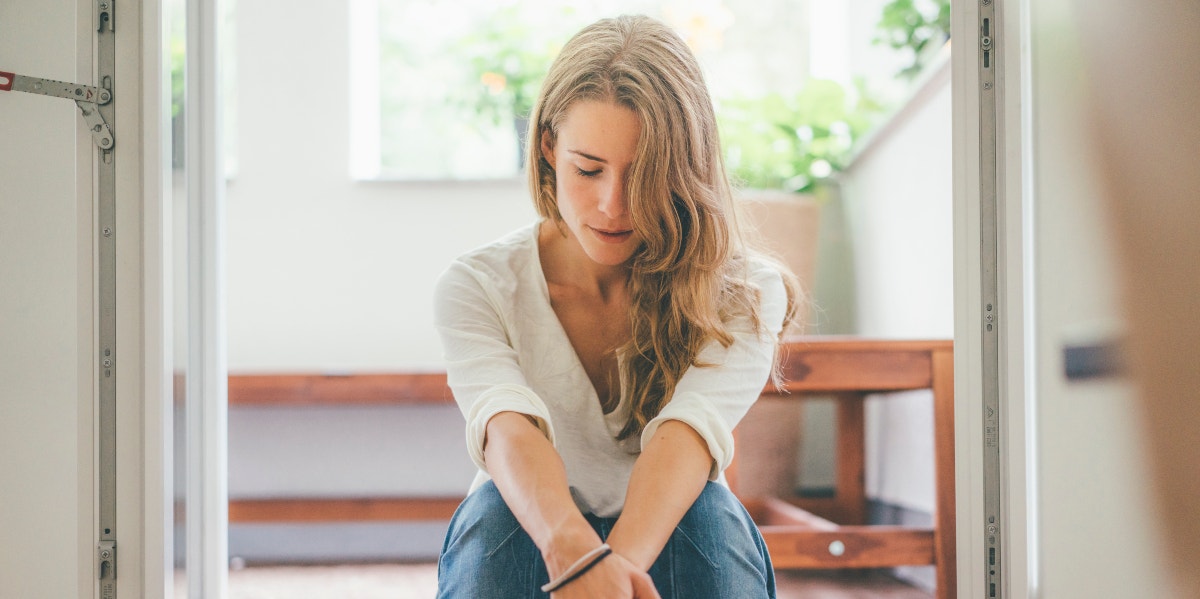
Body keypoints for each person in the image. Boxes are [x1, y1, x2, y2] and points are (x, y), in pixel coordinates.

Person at [433, 14, 800, 598]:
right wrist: (578, 559)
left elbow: (685, 438)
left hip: (674, 527)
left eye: (645, 176)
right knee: (495, 515)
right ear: (549, 147)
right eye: (588, 169)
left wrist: (612, 573)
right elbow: (507, 431)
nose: (612, 206)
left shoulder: (744, 290)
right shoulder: (477, 285)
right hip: (532, 532)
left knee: (708, 513)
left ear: (685, 170)